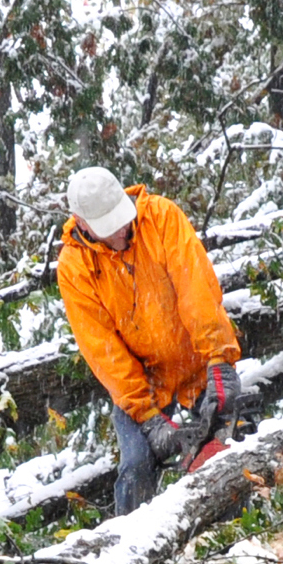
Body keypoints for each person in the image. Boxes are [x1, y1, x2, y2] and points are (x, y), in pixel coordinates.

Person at [57, 167, 247, 513]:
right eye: (107, 227)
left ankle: (239, 540)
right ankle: (128, 552)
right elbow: (102, 348)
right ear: (81, 223)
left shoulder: (160, 217)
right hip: (144, 381)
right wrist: (148, 416)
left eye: (121, 219)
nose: (120, 231)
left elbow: (197, 291)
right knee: (135, 467)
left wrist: (219, 360)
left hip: (196, 360)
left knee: (234, 447)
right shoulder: (75, 267)